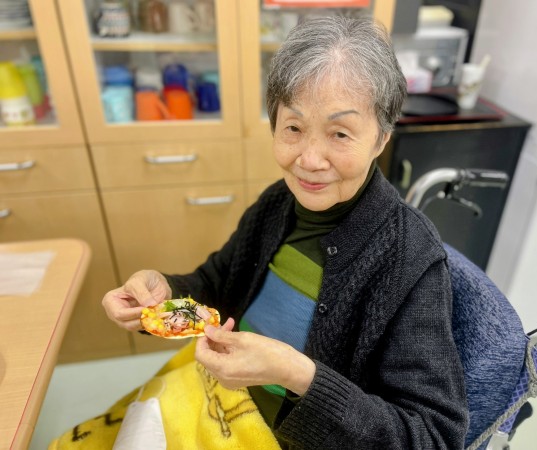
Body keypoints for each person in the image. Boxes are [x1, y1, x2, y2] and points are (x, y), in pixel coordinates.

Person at [102, 16, 469, 449]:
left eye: (340, 133)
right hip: (215, 399)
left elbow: (433, 436)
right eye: (293, 128)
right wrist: (162, 297)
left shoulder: (410, 259)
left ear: (381, 139)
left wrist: (298, 375)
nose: (309, 160)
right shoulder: (278, 203)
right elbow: (217, 285)